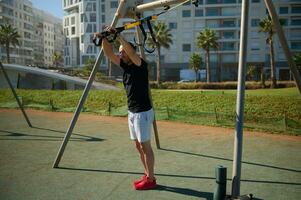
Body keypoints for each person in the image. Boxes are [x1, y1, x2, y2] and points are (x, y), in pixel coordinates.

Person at [95, 27, 157, 190]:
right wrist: (104, 38)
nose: (120, 54)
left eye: (123, 52)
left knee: (146, 147)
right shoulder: (126, 65)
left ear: (130, 53)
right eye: (121, 52)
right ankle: (147, 174)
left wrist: (119, 36)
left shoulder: (139, 64)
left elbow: (129, 51)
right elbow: (108, 53)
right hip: (132, 112)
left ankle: (151, 179)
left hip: (142, 113)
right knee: (138, 146)